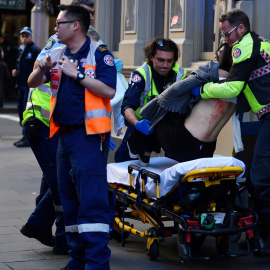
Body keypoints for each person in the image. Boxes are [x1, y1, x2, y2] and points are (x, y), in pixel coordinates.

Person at [28, 4, 116, 270]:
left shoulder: (99, 54)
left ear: (75, 25)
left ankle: (96, 263)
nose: (56, 28)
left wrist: (76, 74)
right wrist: (42, 68)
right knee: (70, 204)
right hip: (62, 138)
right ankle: (77, 259)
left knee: (92, 204)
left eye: (59, 23)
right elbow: (32, 82)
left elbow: (109, 90)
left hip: (88, 139)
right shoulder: (56, 51)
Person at [19, 0, 100, 254]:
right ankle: (59, 234)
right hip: (43, 121)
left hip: (54, 125)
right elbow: (37, 72)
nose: (91, 19)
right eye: (88, 14)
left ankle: (41, 226)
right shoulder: (60, 42)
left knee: (53, 179)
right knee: (59, 182)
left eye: (92, 15)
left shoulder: (84, 42)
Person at [189, 9, 270, 255]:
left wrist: (202, 91)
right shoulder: (263, 44)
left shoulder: (242, 48)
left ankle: (265, 240)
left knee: (260, 179)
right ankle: (259, 236)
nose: (226, 39)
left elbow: (234, 86)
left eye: (227, 33)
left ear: (241, 29)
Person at [115, 37, 187, 164]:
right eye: (160, 60)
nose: (165, 65)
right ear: (151, 57)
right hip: (142, 124)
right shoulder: (142, 74)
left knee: (175, 164)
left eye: (169, 61)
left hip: (169, 125)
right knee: (123, 160)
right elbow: (127, 106)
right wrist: (137, 123)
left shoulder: (181, 75)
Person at [12, 27, 41, 147]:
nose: (24, 38)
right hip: (21, 85)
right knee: (21, 111)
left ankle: (27, 136)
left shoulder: (34, 50)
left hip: (28, 87)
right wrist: (15, 70)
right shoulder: (21, 50)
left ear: (31, 37)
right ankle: (25, 135)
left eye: (26, 36)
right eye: (22, 36)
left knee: (26, 111)